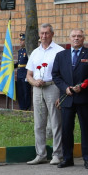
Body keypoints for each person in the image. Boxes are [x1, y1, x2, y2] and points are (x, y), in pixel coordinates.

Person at [52, 29, 88, 169]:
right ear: (69, 38)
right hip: (67, 98)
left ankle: (87, 159)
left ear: (83, 38)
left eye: (79, 36)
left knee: (86, 129)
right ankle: (67, 158)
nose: (76, 38)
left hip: (84, 98)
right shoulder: (61, 55)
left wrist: (83, 86)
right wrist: (65, 88)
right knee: (66, 129)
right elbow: (55, 75)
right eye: (74, 36)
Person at [26, 24, 65, 165]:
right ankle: (41, 154)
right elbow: (29, 74)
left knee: (56, 122)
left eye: (47, 33)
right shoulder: (35, 52)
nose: (44, 36)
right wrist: (34, 82)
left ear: (52, 34)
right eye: (41, 33)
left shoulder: (59, 51)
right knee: (38, 124)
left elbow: (64, 74)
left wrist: (62, 94)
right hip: (37, 89)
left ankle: (57, 154)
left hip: (53, 87)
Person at [14, 33, 31, 111]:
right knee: (20, 91)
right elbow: (19, 63)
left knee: (26, 91)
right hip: (19, 73)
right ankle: (21, 107)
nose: (20, 42)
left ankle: (26, 107)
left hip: (25, 73)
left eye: (22, 40)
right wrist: (13, 66)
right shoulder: (20, 51)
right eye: (20, 40)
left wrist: (28, 75)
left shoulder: (28, 50)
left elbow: (30, 63)